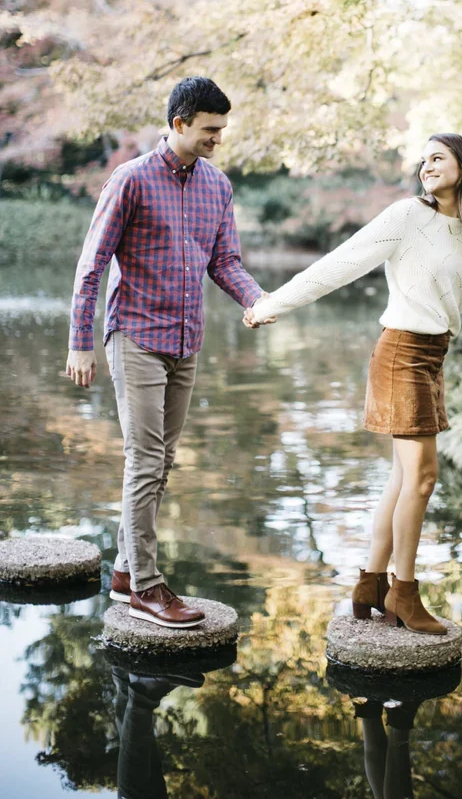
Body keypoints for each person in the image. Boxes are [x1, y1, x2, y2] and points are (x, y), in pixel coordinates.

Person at [246, 134, 462, 633]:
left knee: (404, 479)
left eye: (437, 157)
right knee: (422, 477)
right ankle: (404, 593)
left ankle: (371, 584)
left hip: (433, 356)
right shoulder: (406, 217)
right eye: (423, 160)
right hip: (400, 353)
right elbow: (340, 264)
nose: (426, 166)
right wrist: (272, 305)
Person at [65, 77, 273, 628]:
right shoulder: (130, 180)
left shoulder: (217, 186)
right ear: (179, 123)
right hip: (134, 334)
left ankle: (125, 574)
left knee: (162, 462)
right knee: (144, 458)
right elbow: (92, 265)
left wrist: (257, 300)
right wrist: (79, 342)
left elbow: (224, 262)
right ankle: (148, 589)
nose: (217, 139)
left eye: (222, 130)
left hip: (187, 340)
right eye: (209, 129)